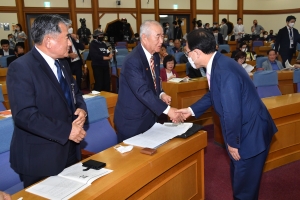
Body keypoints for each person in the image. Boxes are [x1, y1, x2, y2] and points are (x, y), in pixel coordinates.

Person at [176, 28, 277, 200]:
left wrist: (232, 143)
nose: (188, 57)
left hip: (250, 134)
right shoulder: (218, 63)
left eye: (187, 53)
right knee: (241, 180)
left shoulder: (224, 71)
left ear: (197, 52)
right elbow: (214, 93)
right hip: (249, 128)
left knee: (244, 189)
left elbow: (232, 112)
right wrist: (191, 110)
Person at [6, 14, 87, 188]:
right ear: (49, 41)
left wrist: (81, 108)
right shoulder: (21, 68)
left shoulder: (63, 63)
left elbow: (76, 93)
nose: (70, 42)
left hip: (69, 149)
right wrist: (67, 131)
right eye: (66, 37)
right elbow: (25, 115)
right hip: (40, 157)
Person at [114, 20, 184, 142]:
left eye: (162, 36)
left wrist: (161, 94)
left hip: (149, 117)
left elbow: (154, 81)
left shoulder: (155, 56)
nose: (161, 41)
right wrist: (168, 111)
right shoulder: (132, 61)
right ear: (144, 38)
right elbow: (142, 91)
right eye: (157, 36)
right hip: (132, 121)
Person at [67, 24, 85, 90]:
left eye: (71, 27)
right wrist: (69, 55)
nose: (71, 28)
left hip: (77, 62)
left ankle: (79, 93)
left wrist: (76, 39)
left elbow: (82, 47)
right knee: (71, 80)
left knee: (79, 79)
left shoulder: (72, 38)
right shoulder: (63, 38)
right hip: (69, 63)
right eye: (69, 27)